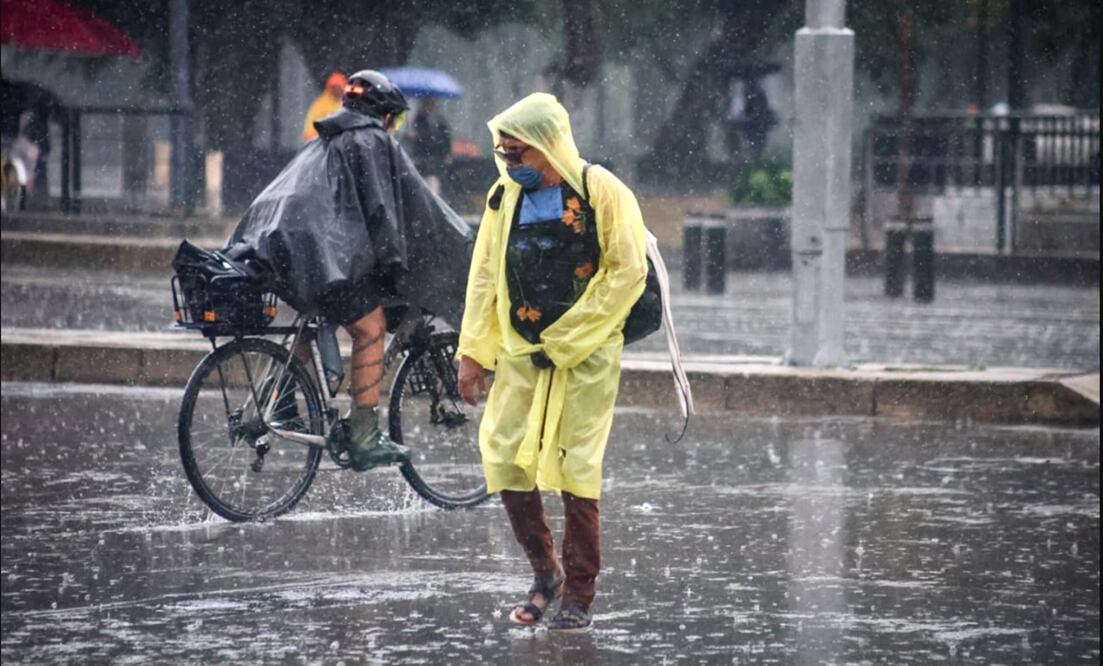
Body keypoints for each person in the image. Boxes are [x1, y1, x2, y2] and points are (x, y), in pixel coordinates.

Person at [455, 93, 649, 632]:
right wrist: (473, 351)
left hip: (587, 356)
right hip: (521, 352)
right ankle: (547, 575)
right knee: (505, 457)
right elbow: (485, 273)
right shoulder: (504, 197)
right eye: (503, 153)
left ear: (548, 144)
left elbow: (626, 271)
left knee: (576, 465)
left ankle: (579, 595)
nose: (509, 161)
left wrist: (567, 339)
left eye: (518, 152)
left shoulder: (600, 189)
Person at [229, 69, 474, 471]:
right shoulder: (371, 139)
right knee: (370, 329)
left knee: (316, 315)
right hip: (320, 252)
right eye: (395, 121)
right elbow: (385, 209)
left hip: (285, 248)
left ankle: (279, 399)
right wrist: (406, 256)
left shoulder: (327, 139)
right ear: (385, 116)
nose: (395, 129)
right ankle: (364, 436)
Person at [407, 98, 452, 194]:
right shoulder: (418, 120)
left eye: (430, 105)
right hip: (421, 159)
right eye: (426, 105)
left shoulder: (440, 122)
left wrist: (447, 153)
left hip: (434, 159)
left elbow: (446, 138)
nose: (428, 108)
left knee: (432, 184)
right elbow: (414, 142)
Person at [302, 72, 348, 143]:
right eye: (334, 87)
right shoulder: (320, 106)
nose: (336, 91)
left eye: (339, 88)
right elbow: (310, 129)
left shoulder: (346, 103)